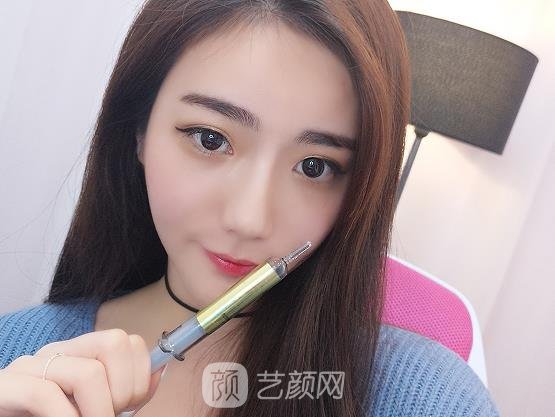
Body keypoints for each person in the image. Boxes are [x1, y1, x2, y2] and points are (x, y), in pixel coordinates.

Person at [0, 1, 500, 416]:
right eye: (210, 139)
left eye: (314, 167)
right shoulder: (16, 351)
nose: (249, 220)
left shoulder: (433, 398)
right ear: (139, 130)